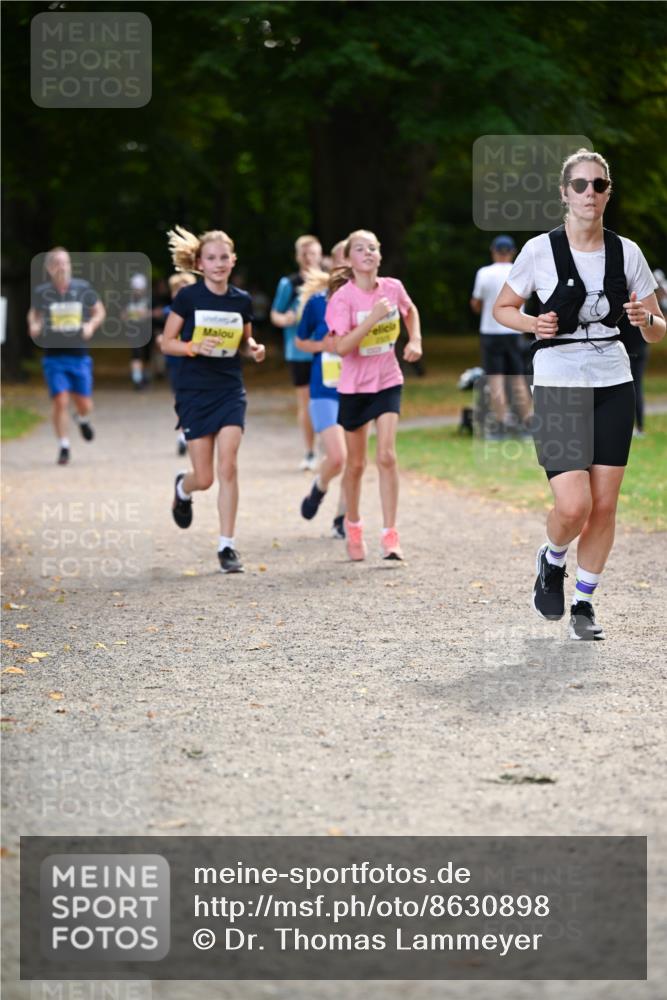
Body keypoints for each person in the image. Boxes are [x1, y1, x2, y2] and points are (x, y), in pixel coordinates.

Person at [493, 149, 665, 640]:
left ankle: (584, 603)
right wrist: (534, 322)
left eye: (599, 185)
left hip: (613, 379)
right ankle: (551, 560)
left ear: (608, 192)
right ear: (564, 193)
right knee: (574, 507)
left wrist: (645, 320)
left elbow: (658, 330)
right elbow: (504, 308)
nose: (590, 193)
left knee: (605, 506)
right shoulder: (538, 251)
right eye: (581, 185)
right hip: (558, 379)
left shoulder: (627, 252)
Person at [160, 225, 266, 574]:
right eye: (211, 258)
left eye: (224, 257)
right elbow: (166, 342)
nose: (219, 263)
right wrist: (192, 347)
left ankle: (227, 546)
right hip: (194, 392)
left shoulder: (241, 300)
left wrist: (254, 349)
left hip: (229, 389)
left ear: (233, 261)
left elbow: (244, 342)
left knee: (228, 466)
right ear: (200, 263)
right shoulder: (188, 298)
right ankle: (183, 486)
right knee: (204, 478)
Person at [324, 229, 422, 561]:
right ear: (349, 259)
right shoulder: (343, 299)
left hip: (387, 379)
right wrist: (373, 320)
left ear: (379, 256)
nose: (368, 253)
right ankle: (353, 527)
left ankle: (390, 535)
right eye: (361, 249)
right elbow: (341, 347)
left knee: (387, 456)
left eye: (374, 248)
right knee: (355, 464)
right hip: (354, 388)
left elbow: (410, 311)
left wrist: (415, 340)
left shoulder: (392, 288)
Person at [27, 246, 106, 465]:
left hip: (78, 354)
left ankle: (82, 418)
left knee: (84, 404)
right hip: (53, 356)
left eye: (66, 262)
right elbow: (35, 313)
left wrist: (90, 325)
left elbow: (99, 311)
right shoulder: (42, 292)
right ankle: (64, 445)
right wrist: (34, 324)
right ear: (50, 268)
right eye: (58, 263)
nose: (62, 267)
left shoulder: (82, 288)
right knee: (60, 400)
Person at [294, 268, 347, 540]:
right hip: (324, 388)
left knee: (354, 461)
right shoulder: (317, 303)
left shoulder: (370, 300)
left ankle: (344, 518)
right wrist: (322, 346)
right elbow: (300, 341)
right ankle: (320, 485)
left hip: (359, 388)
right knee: (337, 457)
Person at [470, 235, 532, 436]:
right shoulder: (519, 271)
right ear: (513, 252)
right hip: (514, 330)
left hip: (490, 331)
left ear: (493, 251)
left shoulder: (484, 273)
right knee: (518, 379)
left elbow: (476, 303)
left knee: (495, 378)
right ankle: (527, 423)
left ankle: (502, 423)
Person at [270, 234, 323, 471]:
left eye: (314, 253)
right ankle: (310, 451)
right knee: (307, 403)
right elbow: (275, 314)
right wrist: (286, 319)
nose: (310, 258)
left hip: (327, 350)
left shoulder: (328, 281)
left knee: (330, 399)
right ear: (298, 256)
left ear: (321, 255)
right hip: (299, 351)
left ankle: (331, 449)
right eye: (305, 254)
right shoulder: (289, 284)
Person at [155, 271, 197, 456]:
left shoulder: (200, 313)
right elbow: (160, 334)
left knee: (196, 399)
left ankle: (193, 432)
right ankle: (184, 433)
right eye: (178, 290)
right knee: (182, 400)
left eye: (186, 289)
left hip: (197, 362)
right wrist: (160, 340)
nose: (182, 294)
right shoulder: (168, 313)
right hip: (176, 364)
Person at [124, 272, 153, 390]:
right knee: (136, 355)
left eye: (139, 288)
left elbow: (155, 312)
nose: (137, 291)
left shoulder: (149, 299)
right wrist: (129, 315)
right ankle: (137, 380)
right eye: (135, 289)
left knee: (146, 356)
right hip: (133, 331)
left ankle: (145, 377)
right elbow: (122, 315)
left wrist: (146, 314)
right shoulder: (127, 299)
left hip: (146, 330)